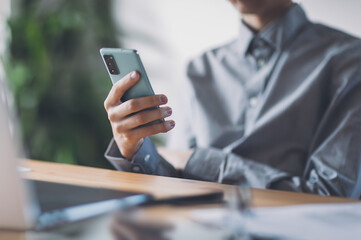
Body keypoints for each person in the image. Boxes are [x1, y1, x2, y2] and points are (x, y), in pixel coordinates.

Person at [103, 0, 361, 198]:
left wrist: (199, 162)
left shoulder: (352, 62)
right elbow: (176, 181)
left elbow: (330, 196)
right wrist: (134, 150)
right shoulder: (199, 69)